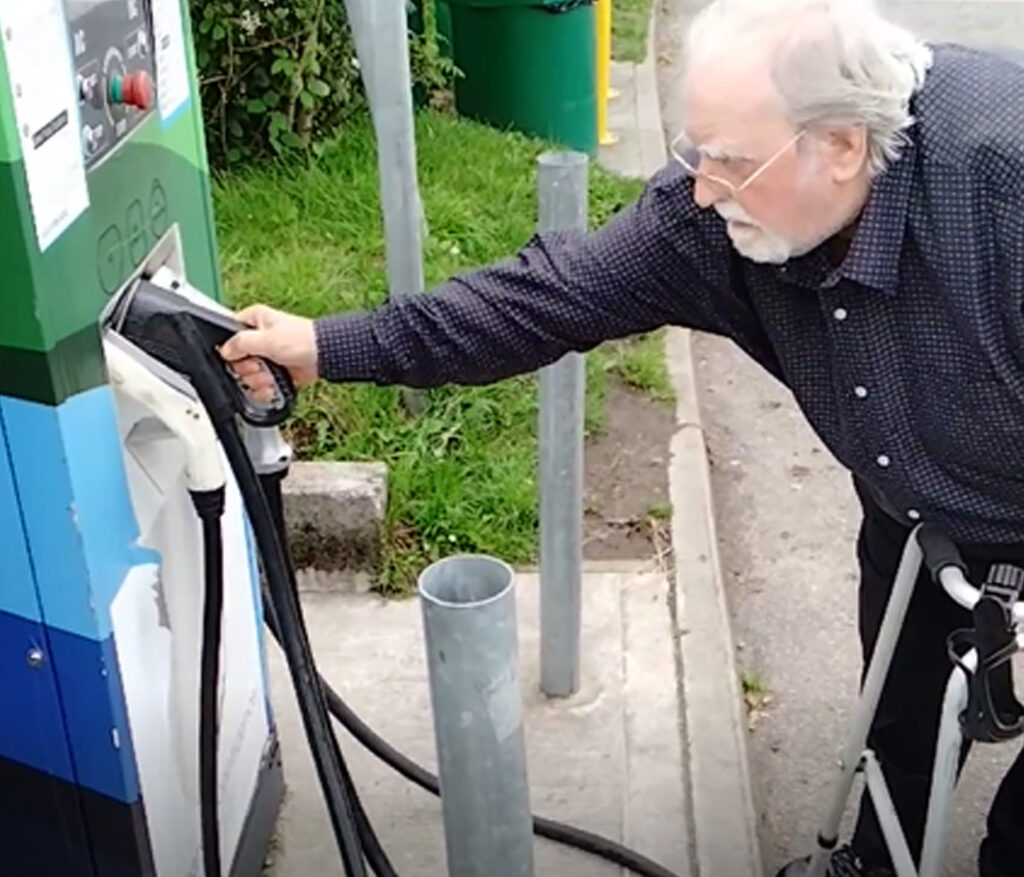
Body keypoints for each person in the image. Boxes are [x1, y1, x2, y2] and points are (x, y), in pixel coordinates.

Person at [220, 0, 1024, 874]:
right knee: (895, 725)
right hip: (913, 511)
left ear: (840, 145)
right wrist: (325, 346)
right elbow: (544, 297)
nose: (705, 189)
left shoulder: (1002, 184)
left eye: (730, 161)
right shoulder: (709, 219)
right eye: (696, 152)